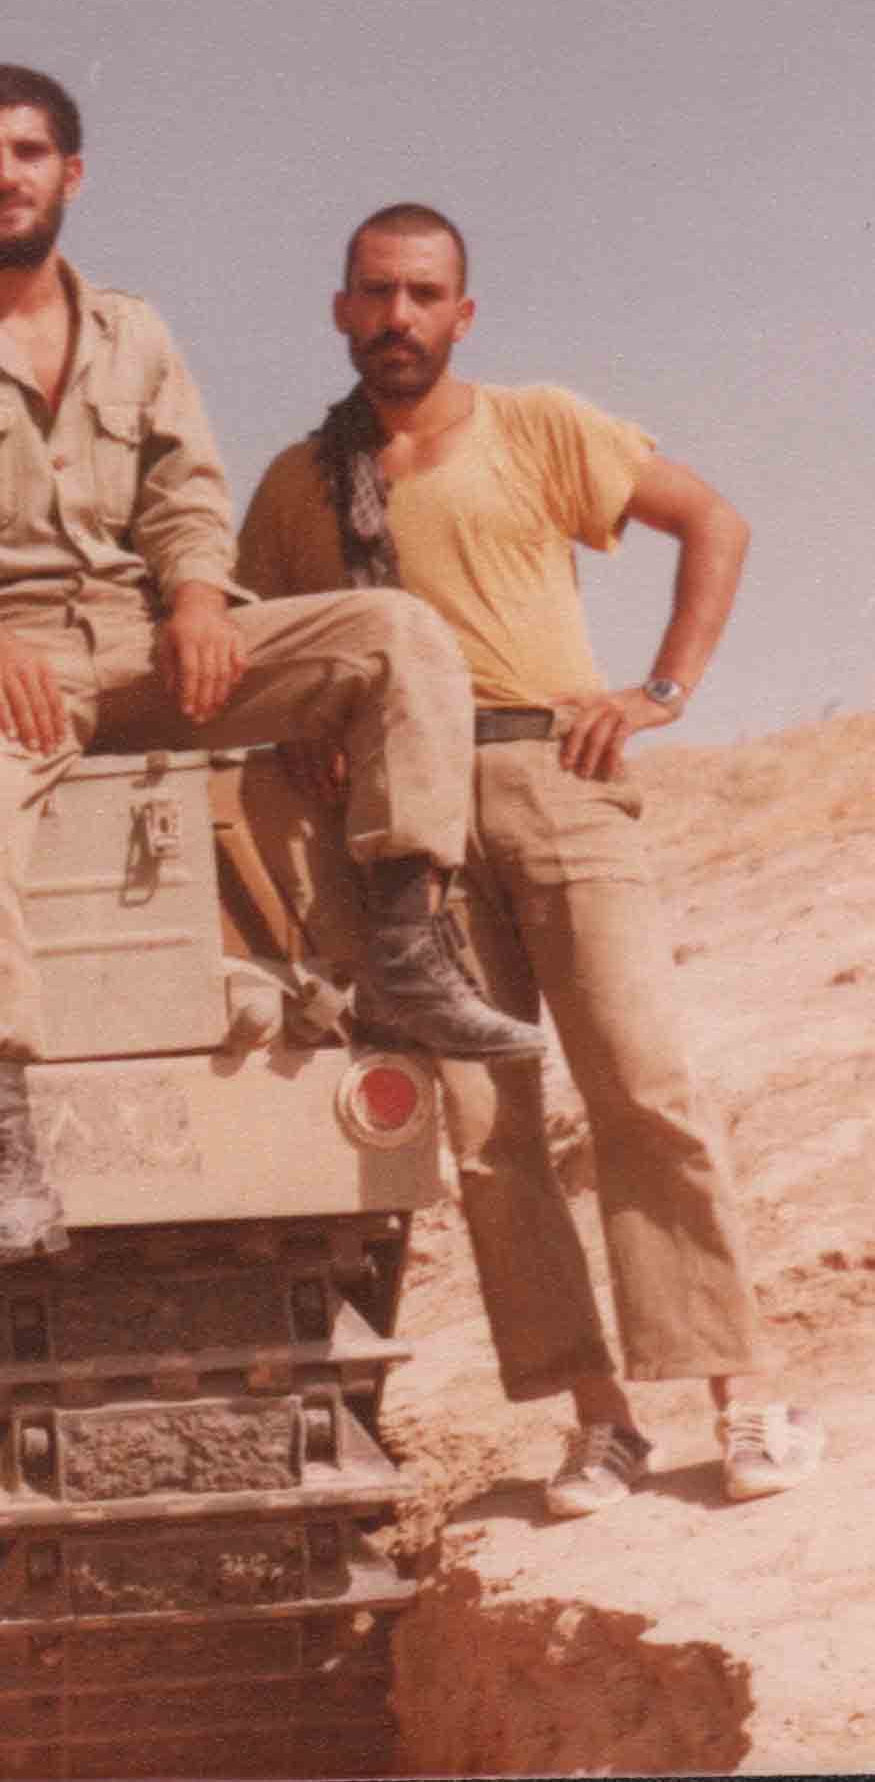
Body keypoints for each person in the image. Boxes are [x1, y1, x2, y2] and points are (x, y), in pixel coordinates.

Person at [0, 66, 544, 1275]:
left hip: (141, 639)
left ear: (70, 172)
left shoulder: (132, 331)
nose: (4, 175)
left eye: (28, 152)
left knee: (395, 634)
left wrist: (201, 601)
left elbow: (184, 496)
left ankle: (409, 947)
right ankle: (4, 1148)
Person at [237, 202, 823, 1509]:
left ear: (461, 314)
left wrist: (658, 691)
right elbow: (260, 647)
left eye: (420, 294)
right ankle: (596, 1419)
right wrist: (299, 735)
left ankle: (735, 1396)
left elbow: (712, 521)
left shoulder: (535, 425)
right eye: (373, 292)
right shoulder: (293, 487)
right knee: (488, 1131)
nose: (395, 316)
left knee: (638, 1083)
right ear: (339, 310)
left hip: (554, 777)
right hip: (403, 829)